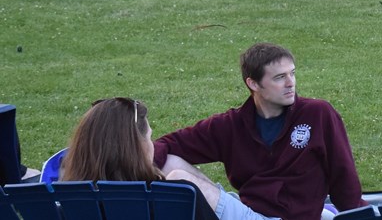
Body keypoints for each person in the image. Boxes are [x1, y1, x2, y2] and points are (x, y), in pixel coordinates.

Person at [153, 43, 365, 220]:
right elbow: (167, 145)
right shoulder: (230, 125)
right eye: (280, 77)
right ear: (253, 83)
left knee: (180, 177)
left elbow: (343, 174)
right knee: (169, 163)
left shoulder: (317, 114)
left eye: (292, 73)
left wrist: (358, 214)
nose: (291, 83)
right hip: (251, 213)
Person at [64, 97, 264, 220]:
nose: (152, 144)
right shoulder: (173, 197)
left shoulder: (65, 200)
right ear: (136, 147)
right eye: (150, 137)